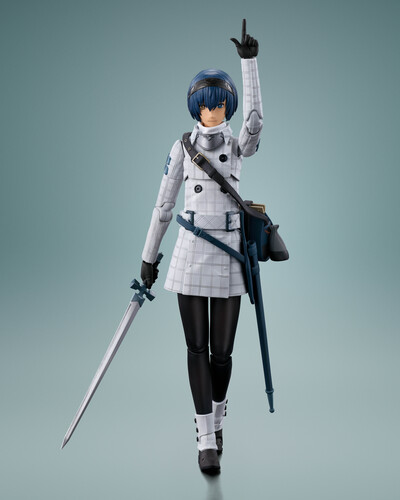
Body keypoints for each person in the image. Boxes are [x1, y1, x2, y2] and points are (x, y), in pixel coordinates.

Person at [140, 19, 263, 475]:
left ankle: (219, 418)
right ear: (195, 106)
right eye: (206, 104)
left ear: (227, 105)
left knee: (221, 353)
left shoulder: (237, 145)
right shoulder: (181, 148)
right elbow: (162, 206)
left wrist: (249, 64)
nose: (213, 111)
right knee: (195, 349)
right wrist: (148, 257)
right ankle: (205, 438)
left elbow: (255, 123)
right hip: (190, 253)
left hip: (229, 253)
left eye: (220, 103)